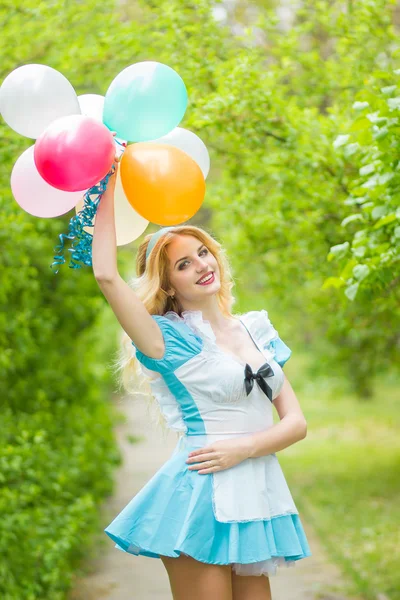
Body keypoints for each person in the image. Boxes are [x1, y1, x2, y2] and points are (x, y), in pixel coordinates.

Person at [93, 159, 311, 600]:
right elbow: (106, 275)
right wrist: (106, 181)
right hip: (197, 495)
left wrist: (244, 449)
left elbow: (296, 423)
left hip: (254, 488)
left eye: (203, 253)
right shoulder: (167, 341)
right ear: (168, 284)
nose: (201, 266)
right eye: (183, 265)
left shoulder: (257, 329)